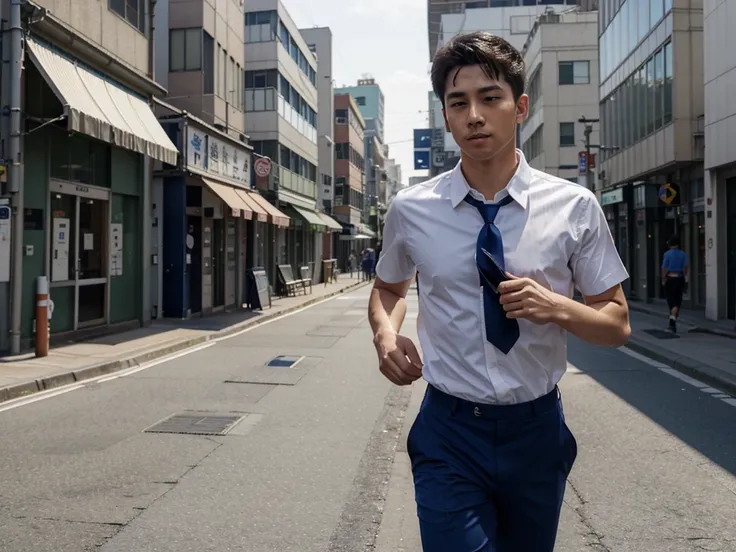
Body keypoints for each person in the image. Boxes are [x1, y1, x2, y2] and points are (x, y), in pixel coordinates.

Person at [368, 32, 631, 552]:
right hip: (449, 430)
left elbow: (617, 324)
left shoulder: (574, 207)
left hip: (535, 431)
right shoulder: (412, 209)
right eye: (457, 102)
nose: (474, 116)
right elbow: (389, 287)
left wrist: (557, 307)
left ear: (520, 106)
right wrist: (384, 335)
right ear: (444, 115)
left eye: (490, 98)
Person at [661, 235, 689, 333]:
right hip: (680, 278)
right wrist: (686, 280)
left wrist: (663, 278)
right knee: (677, 300)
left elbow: (664, 267)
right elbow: (685, 269)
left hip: (670, 279)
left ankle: (672, 323)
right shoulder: (683, 254)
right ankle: (673, 320)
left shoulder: (667, 254)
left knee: (671, 301)